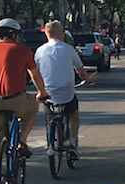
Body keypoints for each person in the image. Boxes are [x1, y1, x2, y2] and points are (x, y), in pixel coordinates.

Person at [0, 17, 48, 184]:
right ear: (15, 35)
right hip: (16, 98)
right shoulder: (22, 50)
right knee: (32, 109)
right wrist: (42, 93)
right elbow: (34, 75)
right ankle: (21, 142)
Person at [34, 20, 95, 160]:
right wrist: (88, 79)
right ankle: (72, 143)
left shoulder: (39, 51)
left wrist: (39, 90)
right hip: (66, 90)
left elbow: (35, 72)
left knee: (49, 110)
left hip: (47, 90)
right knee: (74, 113)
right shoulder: (68, 49)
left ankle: (51, 137)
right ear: (59, 34)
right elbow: (80, 71)